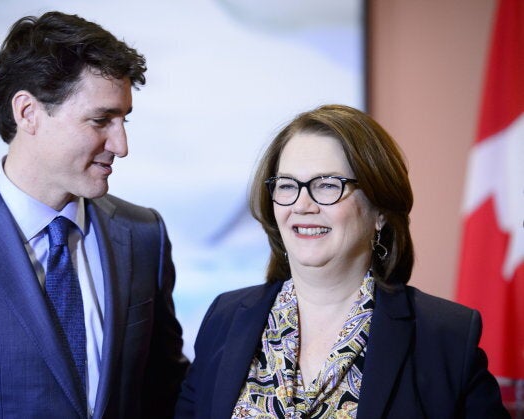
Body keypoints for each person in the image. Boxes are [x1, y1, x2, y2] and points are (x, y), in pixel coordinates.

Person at [0, 11, 188, 418]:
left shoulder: (143, 235)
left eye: (124, 120)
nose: (121, 145)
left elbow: (166, 396)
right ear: (28, 112)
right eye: (102, 120)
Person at [175, 104, 508, 418]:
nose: (303, 205)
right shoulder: (226, 318)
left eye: (327, 185)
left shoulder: (444, 336)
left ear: (379, 211)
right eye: (288, 185)